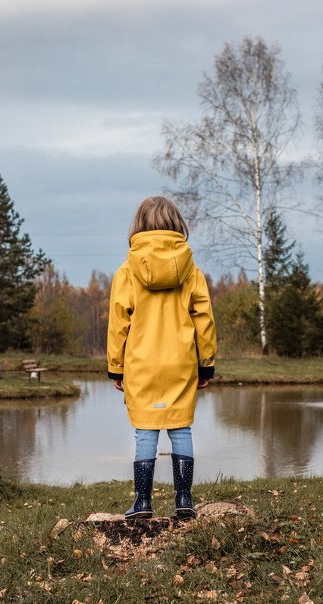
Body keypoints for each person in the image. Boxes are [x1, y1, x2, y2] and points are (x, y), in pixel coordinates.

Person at [107, 196, 217, 520]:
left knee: (146, 430)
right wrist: (206, 363)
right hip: (181, 363)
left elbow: (118, 322)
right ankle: (184, 499)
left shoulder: (127, 271)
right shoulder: (191, 270)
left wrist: (116, 368)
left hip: (142, 365)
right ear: (176, 224)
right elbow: (204, 319)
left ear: (139, 225)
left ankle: (143, 502)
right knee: (181, 428)